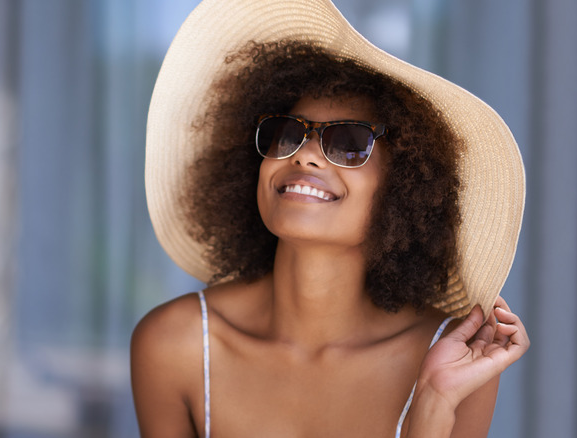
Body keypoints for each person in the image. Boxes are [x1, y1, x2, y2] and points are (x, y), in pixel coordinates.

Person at [132, 0, 529, 437]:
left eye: (349, 142)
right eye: (287, 132)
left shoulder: (453, 361)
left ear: (406, 187)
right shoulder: (176, 345)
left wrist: (433, 404)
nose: (304, 154)